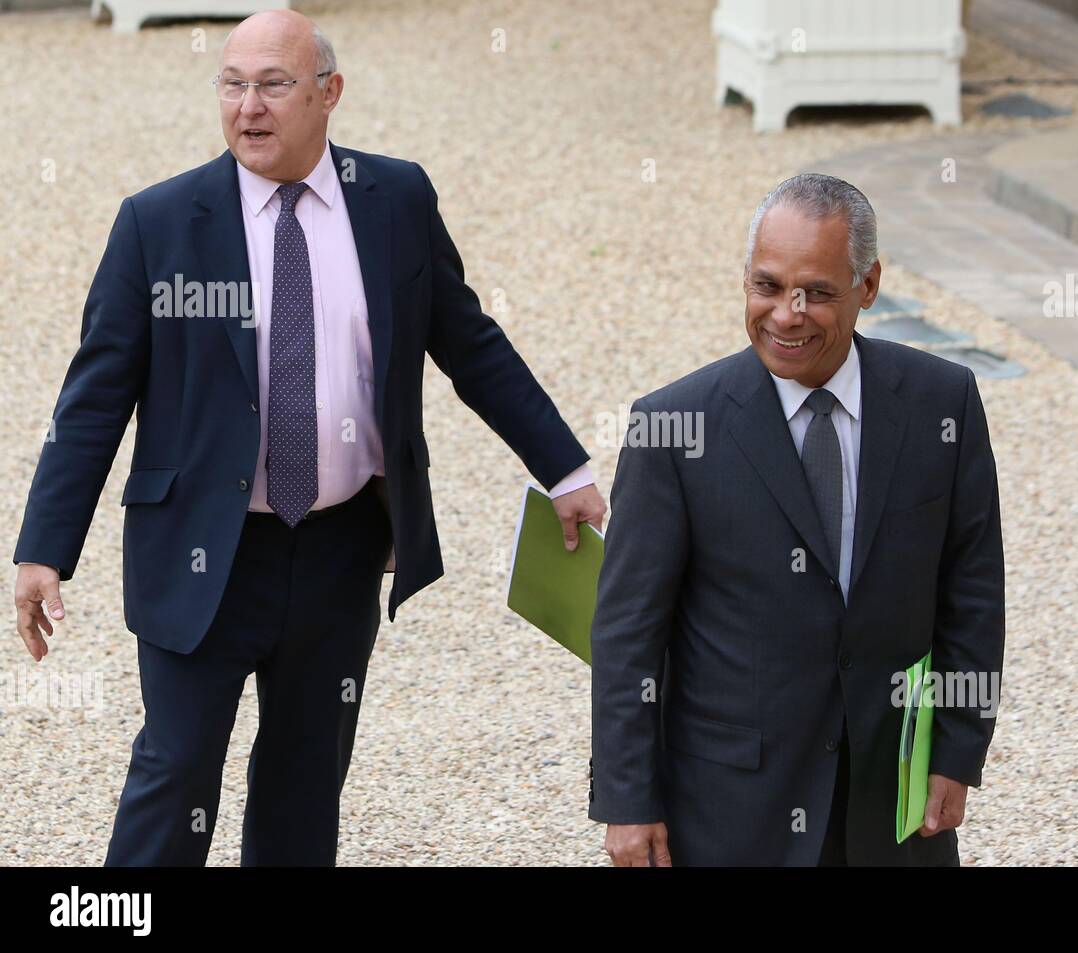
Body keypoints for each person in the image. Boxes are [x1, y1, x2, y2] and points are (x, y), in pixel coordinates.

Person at [12, 9, 605, 866]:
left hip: (340, 550)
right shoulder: (159, 222)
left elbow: (470, 344)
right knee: (174, 772)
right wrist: (44, 549)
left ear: (330, 94)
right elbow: (95, 398)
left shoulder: (396, 199)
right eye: (232, 84)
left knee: (303, 785)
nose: (248, 108)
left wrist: (566, 467)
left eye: (274, 86)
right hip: (200, 551)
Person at [588, 173, 1004, 866]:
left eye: (817, 292)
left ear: (869, 285)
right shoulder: (670, 426)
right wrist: (628, 802)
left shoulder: (944, 403)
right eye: (768, 286)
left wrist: (958, 752)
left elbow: (973, 593)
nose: (787, 313)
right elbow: (628, 630)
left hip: (893, 810)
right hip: (729, 812)